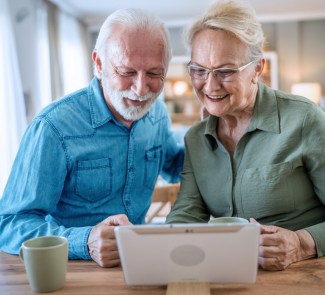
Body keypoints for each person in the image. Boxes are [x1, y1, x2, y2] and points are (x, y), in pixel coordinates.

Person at [0, 8, 184, 268]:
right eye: (126, 71)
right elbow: (9, 225)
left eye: (154, 74)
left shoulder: (157, 115)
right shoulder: (53, 127)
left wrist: (218, 128)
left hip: (139, 265)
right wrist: (84, 241)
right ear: (98, 64)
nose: (141, 89)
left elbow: (177, 167)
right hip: (72, 272)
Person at [166, 0, 325, 271]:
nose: (210, 84)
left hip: (302, 274)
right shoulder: (196, 139)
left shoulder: (304, 119)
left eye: (225, 71)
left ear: (257, 68)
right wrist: (161, 244)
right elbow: (187, 213)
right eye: (199, 70)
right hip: (229, 273)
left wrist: (302, 243)